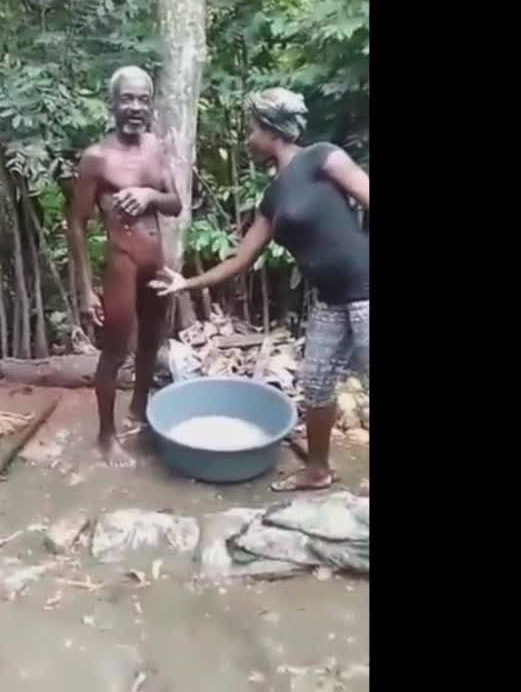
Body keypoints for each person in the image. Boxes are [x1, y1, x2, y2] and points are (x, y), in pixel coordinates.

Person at [150, 88, 369, 491]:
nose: (249, 137)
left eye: (253, 128)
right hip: (330, 301)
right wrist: (186, 283)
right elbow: (241, 259)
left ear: (273, 130)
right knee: (316, 385)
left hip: (366, 290)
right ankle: (318, 470)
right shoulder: (273, 196)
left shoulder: (322, 157)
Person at [68, 66, 182, 468]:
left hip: (155, 262)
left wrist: (148, 194)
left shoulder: (155, 147)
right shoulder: (97, 159)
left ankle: (139, 409)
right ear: (113, 103)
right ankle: (106, 435)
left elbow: (175, 204)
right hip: (122, 262)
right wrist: (86, 288)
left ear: (151, 105)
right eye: (127, 99)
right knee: (116, 349)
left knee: (152, 339)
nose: (135, 107)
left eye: (143, 99)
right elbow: (76, 223)